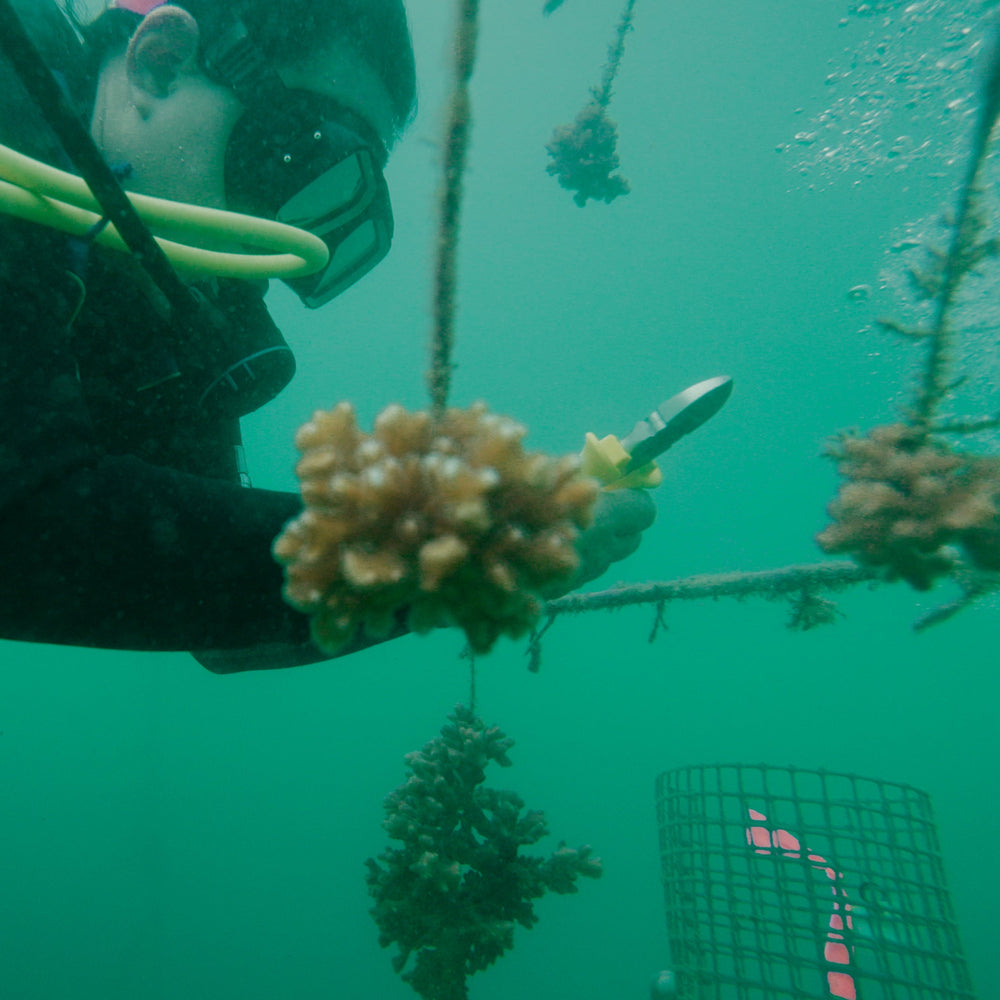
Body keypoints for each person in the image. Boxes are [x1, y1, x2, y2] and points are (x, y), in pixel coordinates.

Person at [0, 0, 655, 672]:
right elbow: (24, 524)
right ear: (160, 62)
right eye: (288, 159)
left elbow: (220, 622)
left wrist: (484, 555)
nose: (271, 239)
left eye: (318, 192)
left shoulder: (165, 296)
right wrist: (460, 552)